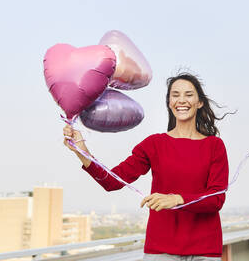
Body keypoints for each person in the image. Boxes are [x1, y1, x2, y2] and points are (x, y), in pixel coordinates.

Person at [63, 72, 229, 261]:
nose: (181, 100)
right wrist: (81, 151)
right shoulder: (154, 144)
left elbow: (216, 200)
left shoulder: (214, 146)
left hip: (204, 250)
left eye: (189, 94)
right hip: (160, 251)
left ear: (199, 102)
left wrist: (177, 199)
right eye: (175, 95)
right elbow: (112, 182)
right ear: (169, 102)